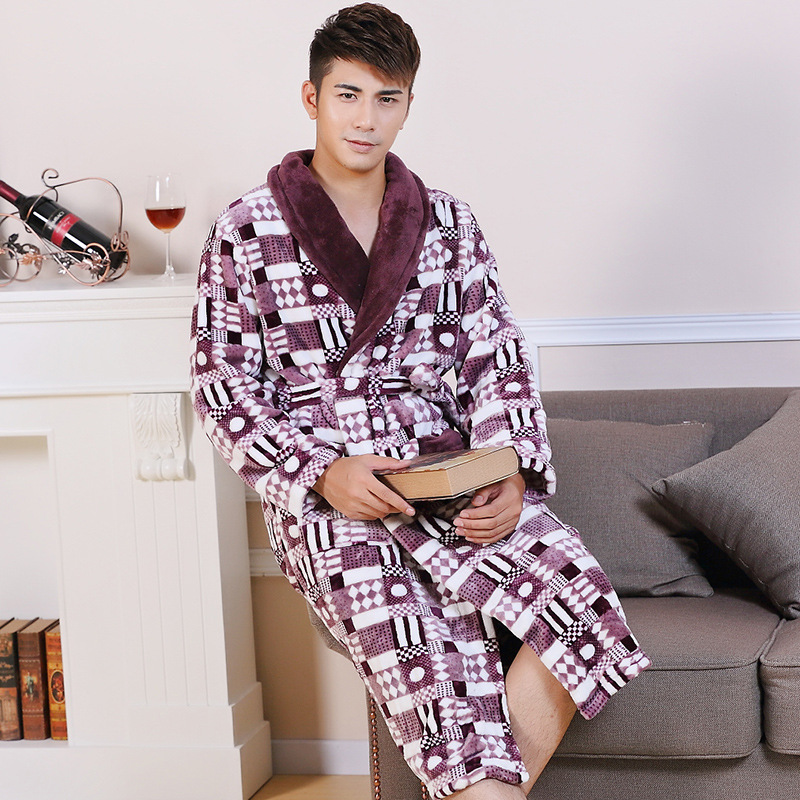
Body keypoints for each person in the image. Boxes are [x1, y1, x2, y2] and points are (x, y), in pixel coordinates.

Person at [191, 4, 651, 798]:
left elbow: (495, 355)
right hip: (336, 500)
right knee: (432, 667)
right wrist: (321, 473)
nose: (366, 119)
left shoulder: (449, 223)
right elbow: (223, 386)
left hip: (448, 479)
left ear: (408, 105)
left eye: (387, 98)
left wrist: (508, 471)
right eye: (348, 95)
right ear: (311, 98)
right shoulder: (244, 231)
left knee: (577, 595)